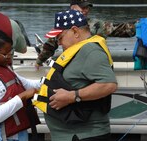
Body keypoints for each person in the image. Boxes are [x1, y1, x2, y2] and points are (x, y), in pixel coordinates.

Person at [34, 9, 117, 141]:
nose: (59, 43)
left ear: (75, 31)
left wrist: (72, 96)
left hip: (85, 135)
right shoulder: (79, 49)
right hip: (70, 134)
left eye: (60, 37)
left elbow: (108, 84)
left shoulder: (91, 51)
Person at [35, 0, 136, 69]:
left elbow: (123, 29)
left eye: (87, 7)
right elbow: (50, 46)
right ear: (72, 7)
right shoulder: (63, 24)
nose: (85, 10)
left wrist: (143, 23)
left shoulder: (97, 25)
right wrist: (39, 61)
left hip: (93, 65)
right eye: (82, 7)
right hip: (73, 65)